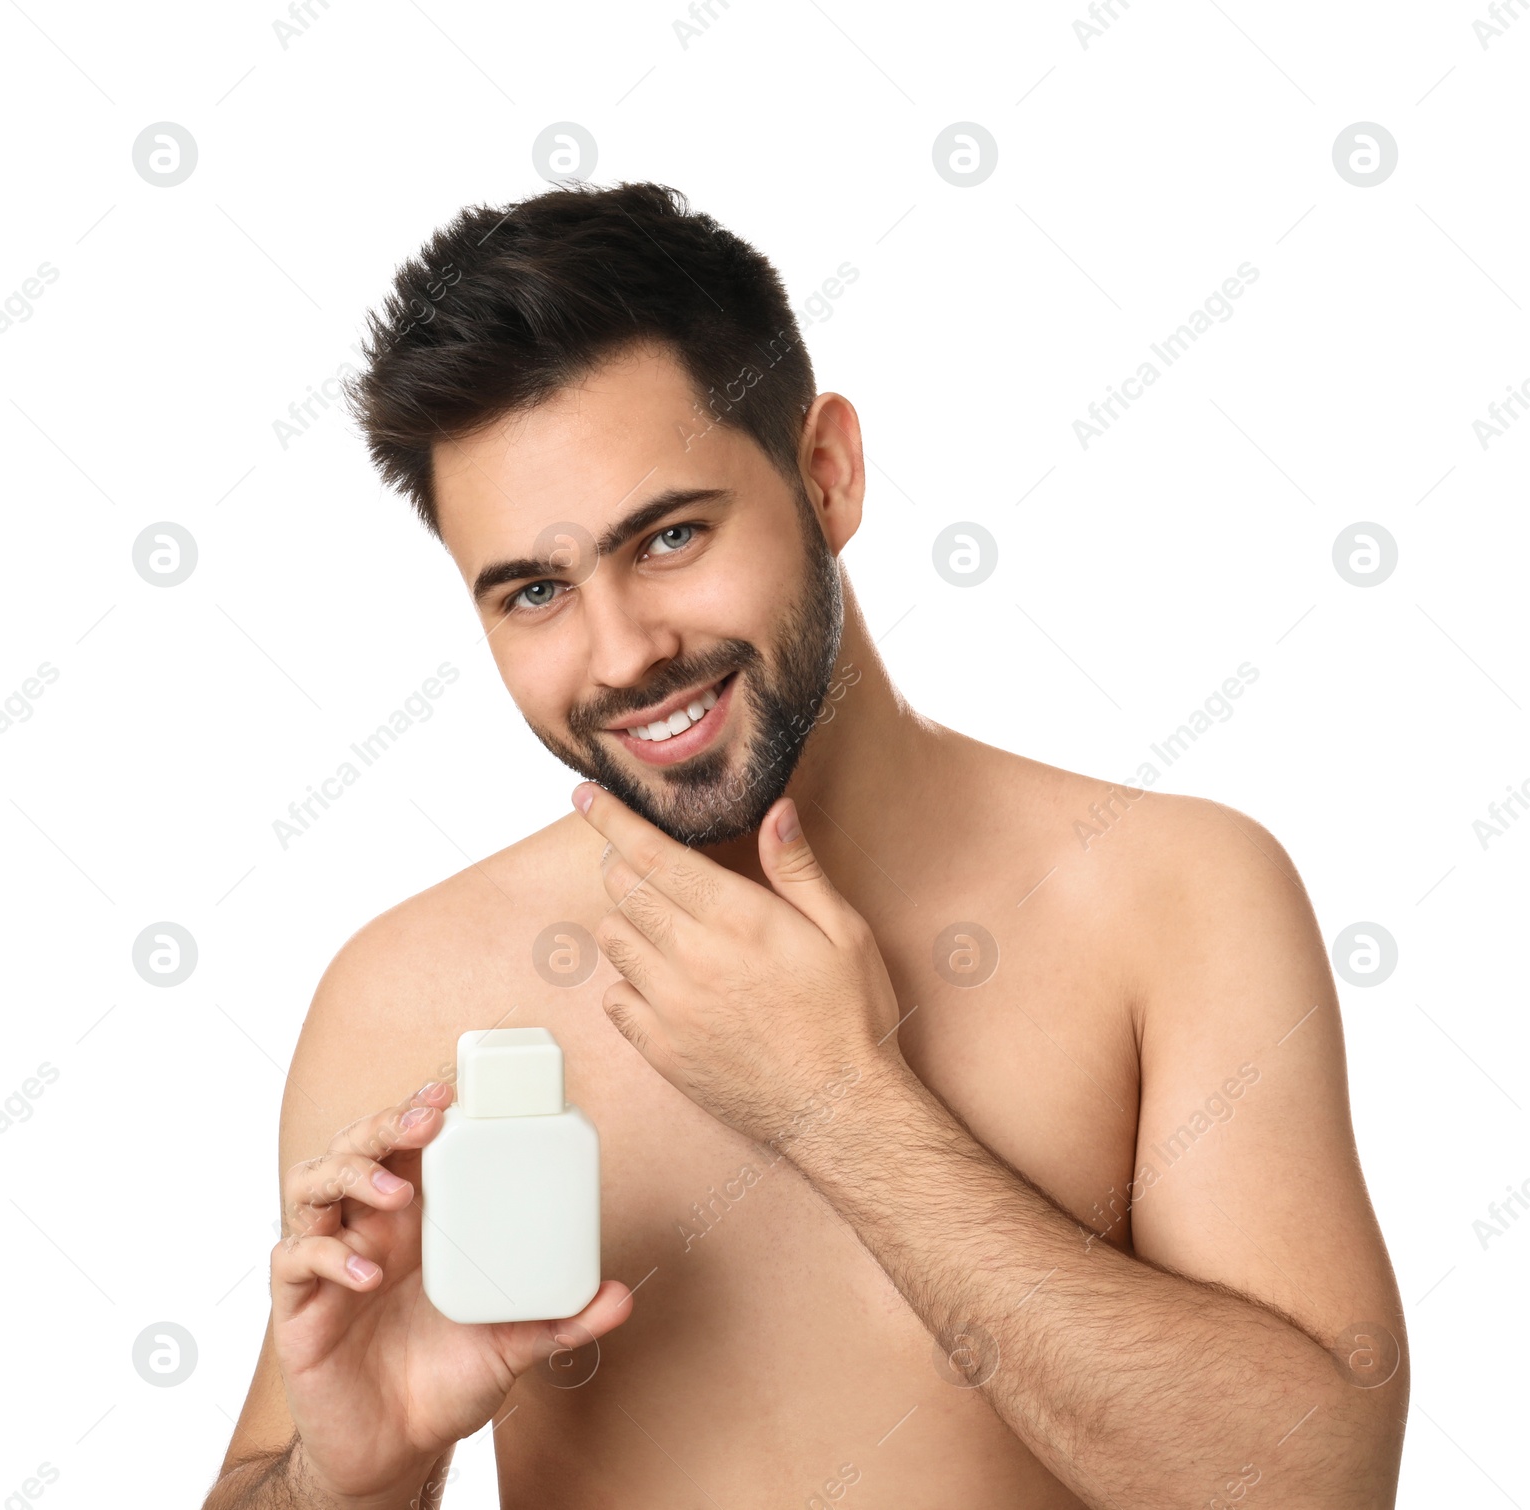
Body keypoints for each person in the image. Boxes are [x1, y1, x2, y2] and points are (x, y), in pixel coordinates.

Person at [204, 181, 1407, 1509]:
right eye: (536, 591)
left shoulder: (1169, 896)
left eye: (670, 536)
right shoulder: (414, 992)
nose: (623, 653)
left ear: (825, 473)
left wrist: (842, 1105)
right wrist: (354, 1470)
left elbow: (1314, 1488)